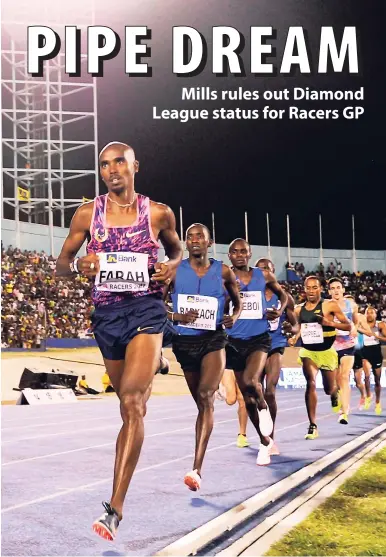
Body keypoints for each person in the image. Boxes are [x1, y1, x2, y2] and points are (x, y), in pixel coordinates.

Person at [56, 142, 182, 541]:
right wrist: (80, 265)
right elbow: (61, 266)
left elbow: (177, 250)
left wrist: (171, 267)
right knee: (125, 402)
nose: (111, 170)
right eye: (104, 165)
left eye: (118, 163)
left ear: (134, 167)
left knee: (132, 403)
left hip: (146, 309)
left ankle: (115, 508)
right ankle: (152, 363)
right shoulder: (86, 213)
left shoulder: (158, 212)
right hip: (106, 317)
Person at [166, 223, 241, 491]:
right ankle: (215, 388)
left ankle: (196, 468)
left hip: (214, 339)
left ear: (210, 243)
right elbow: (157, 305)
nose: (195, 240)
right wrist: (176, 316)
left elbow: (237, 301)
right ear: (186, 243)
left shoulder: (223, 271)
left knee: (206, 397)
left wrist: (234, 317)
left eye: (201, 236)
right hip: (184, 343)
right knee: (200, 401)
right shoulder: (174, 270)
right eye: (190, 237)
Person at [226, 240, 288, 466]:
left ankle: (264, 406)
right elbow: (220, 303)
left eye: (244, 251)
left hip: (259, 339)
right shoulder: (224, 277)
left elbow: (284, 297)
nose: (240, 255)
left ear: (250, 254)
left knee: (252, 381)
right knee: (246, 398)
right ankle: (264, 442)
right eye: (235, 251)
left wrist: (278, 311)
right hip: (233, 342)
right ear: (229, 255)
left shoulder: (264, 276)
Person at [288, 276, 351, 440]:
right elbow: (300, 327)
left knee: (329, 388)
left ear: (320, 288)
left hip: (327, 351)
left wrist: (330, 323)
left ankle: (334, 393)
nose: (311, 291)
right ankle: (313, 425)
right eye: (308, 287)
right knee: (310, 382)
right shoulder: (298, 309)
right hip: (308, 351)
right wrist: (294, 338)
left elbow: (348, 325)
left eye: (314, 287)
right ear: (304, 289)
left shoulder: (329, 305)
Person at [256, 258, 299, 454]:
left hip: (275, 345)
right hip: (253, 348)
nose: (264, 272)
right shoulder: (247, 295)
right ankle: (262, 434)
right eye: (260, 269)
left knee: (270, 392)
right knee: (254, 394)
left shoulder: (284, 297)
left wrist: (292, 328)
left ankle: (270, 439)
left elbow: (296, 324)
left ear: (274, 272)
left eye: (268, 269)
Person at [328, 278, 359, 424]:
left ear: (343, 290)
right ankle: (334, 394)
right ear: (329, 291)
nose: (335, 290)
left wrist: (353, 328)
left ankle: (344, 412)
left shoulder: (351, 304)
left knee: (344, 376)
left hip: (347, 344)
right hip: (331, 346)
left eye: (338, 287)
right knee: (333, 383)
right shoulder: (326, 305)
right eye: (333, 288)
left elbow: (356, 321)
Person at [359, 306, 386, 415]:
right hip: (365, 351)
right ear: (364, 314)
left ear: (375, 315)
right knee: (366, 376)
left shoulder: (380, 325)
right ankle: (368, 396)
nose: (369, 315)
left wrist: (376, 336)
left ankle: (378, 402)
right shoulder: (361, 324)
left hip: (376, 352)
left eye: (371, 313)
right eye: (367, 313)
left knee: (377, 379)